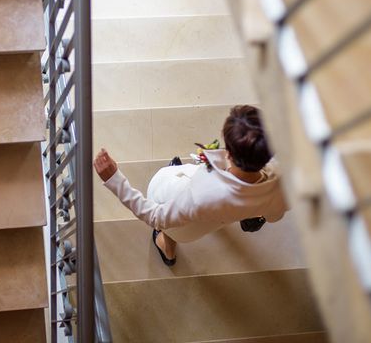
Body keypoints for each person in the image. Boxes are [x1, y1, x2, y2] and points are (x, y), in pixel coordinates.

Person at [93, 105, 288, 266]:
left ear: (229, 152)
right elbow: (274, 215)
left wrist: (114, 179)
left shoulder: (203, 196)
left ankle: (167, 249)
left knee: (170, 229)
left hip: (179, 206)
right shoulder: (283, 185)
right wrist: (251, 207)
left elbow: (155, 216)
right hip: (221, 213)